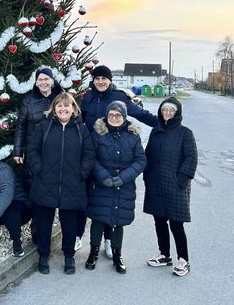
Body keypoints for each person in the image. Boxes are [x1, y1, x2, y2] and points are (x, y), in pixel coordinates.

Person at [78, 64, 158, 256]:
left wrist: (162, 123)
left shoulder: (119, 97)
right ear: (93, 80)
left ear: (110, 80)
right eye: (97, 78)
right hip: (89, 154)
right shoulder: (87, 97)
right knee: (89, 196)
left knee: (109, 198)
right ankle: (78, 236)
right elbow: (77, 118)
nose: (100, 81)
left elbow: (140, 114)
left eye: (104, 78)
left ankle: (108, 240)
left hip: (110, 156)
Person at [27, 92, 95, 275]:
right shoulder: (44, 127)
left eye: (67, 105)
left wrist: (81, 173)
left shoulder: (81, 130)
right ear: (54, 109)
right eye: (59, 106)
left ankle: (68, 256)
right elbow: (32, 151)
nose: (63, 109)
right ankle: (43, 255)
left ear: (73, 109)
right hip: (45, 182)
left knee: (69, 223)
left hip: (72, 183)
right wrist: (39, 169)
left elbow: (89, 155)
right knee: (43, 222)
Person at [85, 101, 146, 274]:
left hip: (123, 186)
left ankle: (117, 255)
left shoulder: (133, 135)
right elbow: (91, 157)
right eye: (111, 114)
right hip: (101, 184)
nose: (114, 118)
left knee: (119, 222)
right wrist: (103, 176)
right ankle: (93, 252)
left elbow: (140, 160)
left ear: (124, 116)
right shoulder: (98, 133)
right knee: (98, 219)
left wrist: (124, 178)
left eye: (118, 115)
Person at [143, 97, 198, 277]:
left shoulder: (185, 133)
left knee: (176, 223)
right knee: (159, 220)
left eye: (171, 110)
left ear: (177, 113)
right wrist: (146, 176)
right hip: (156, 184)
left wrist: (181, 180)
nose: (167, 113)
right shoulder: (155, 131)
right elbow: (148, 155)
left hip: (175, 185)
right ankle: (164, 255)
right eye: (165, 110)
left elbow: (191, 158)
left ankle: (184, 260)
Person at [13, 67, 62, 242]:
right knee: (34, 189)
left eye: (46, 79)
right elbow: (21, 126)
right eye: (40, 79)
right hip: (34, 153)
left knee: (52, 190)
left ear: (52, 80)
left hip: (56, 152)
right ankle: (36, 230)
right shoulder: (29, 101)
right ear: (35, 82)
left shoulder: (60, 99)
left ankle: (48, 227)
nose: (43, 82)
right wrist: (18, 150)